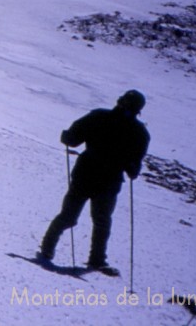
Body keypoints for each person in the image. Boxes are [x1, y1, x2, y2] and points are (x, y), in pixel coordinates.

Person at [37, 90, 150, 275]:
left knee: (69, 216)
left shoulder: (99, 116)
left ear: (120, 101)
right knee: (102, 221)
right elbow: (134, 169)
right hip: (109, 182)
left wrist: (67, 136)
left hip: (85, 174)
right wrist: (130, 167)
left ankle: (47, 248)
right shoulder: (140, 133)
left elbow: (72, 139)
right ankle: (96, 260)